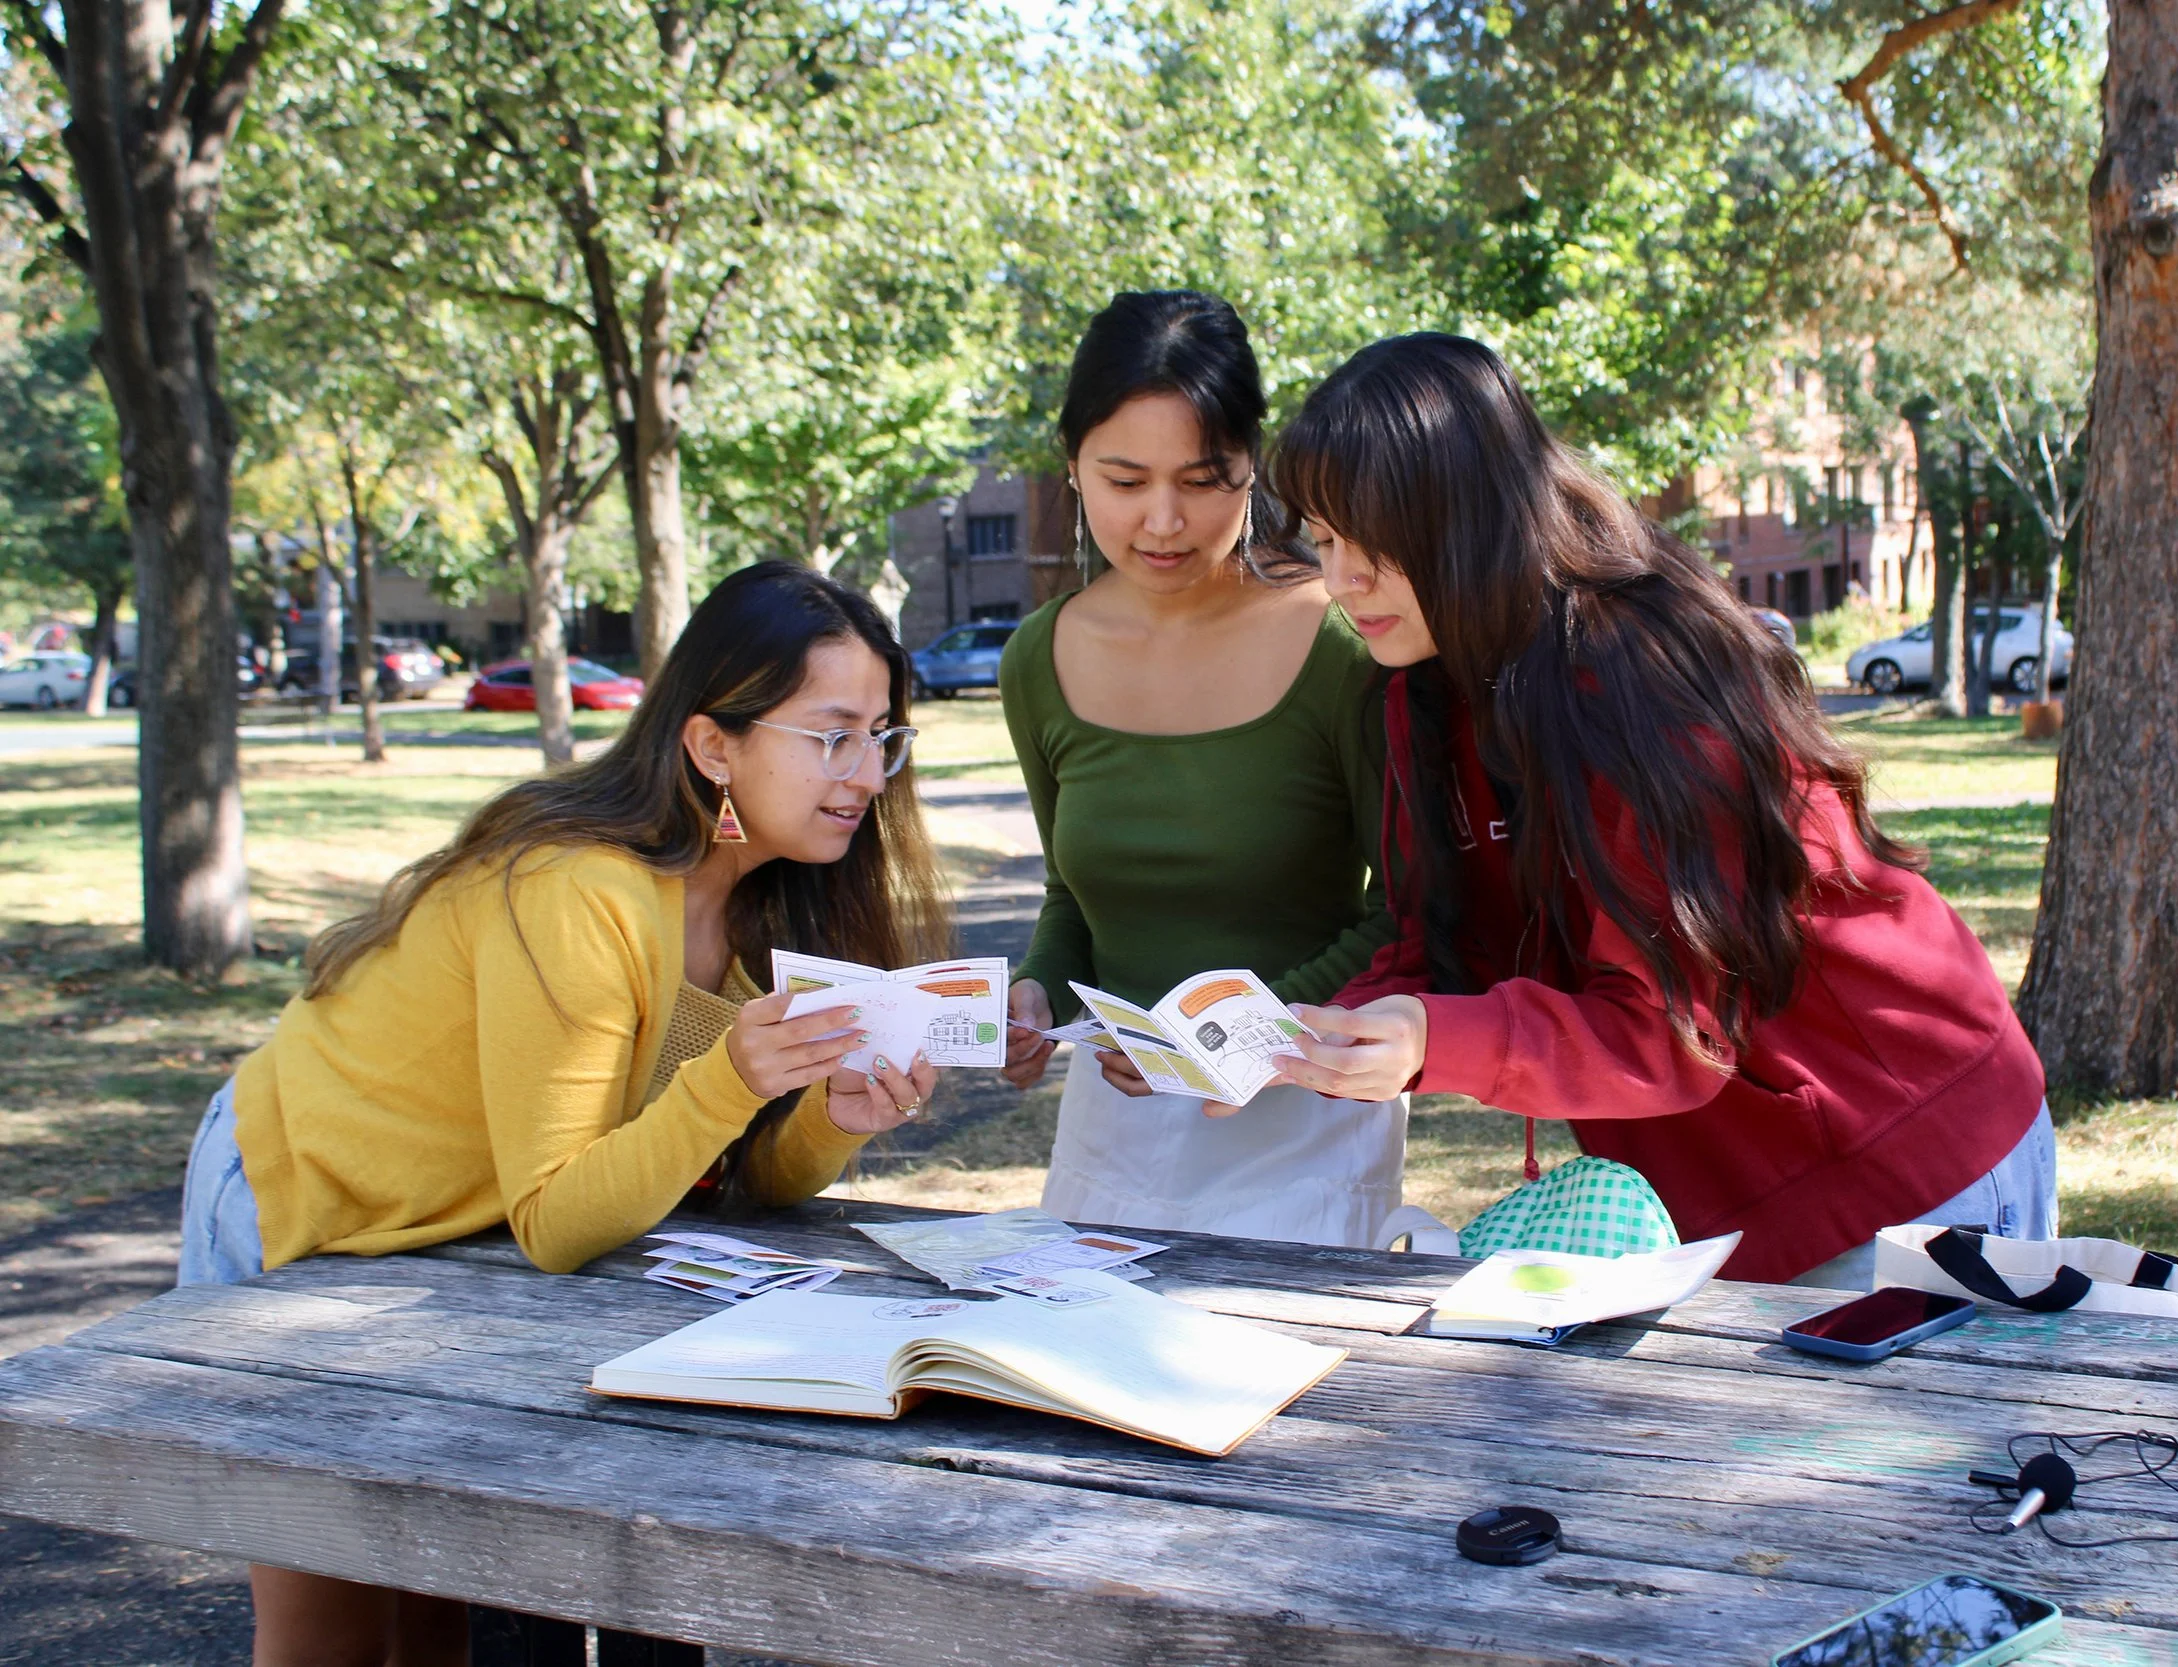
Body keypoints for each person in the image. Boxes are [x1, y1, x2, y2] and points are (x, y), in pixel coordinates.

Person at [181, 560, 947, 1667]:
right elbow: (558, 1214)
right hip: (299, 1187)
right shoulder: (580, 887)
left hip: (450, 1238)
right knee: (333, 1625)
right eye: (831, 734)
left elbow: (744, 1179)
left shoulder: (760, 904)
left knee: (443, 1599)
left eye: (883, 734)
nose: (867, 772)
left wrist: (832, 1111)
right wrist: (732, 1075)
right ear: (713, 744)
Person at [1263, 333, 2054, 1288]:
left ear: (1460, 518)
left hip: (1900, 1157)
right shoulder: (1421, 693)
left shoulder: (1645, 679)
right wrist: (1288, 1040)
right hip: (1709, 1189)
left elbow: (1674, 1028)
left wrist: (1435, 1041)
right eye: (1324, 536)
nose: (1341, 580)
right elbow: (1441, 939)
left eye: (1369, 539)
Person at [998, 290, 1403, 1245]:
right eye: (1126, 480)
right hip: (1116, 1131)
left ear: (1252, 469)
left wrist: (1240, 1038)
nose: (1165, 520)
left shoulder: (1345, 639)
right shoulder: (1037, 659)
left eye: (1204, 477)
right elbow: (1073, 898)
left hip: (1304, 1125)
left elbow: (1406, 913)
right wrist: (1036, 992)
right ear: (1073, 471)